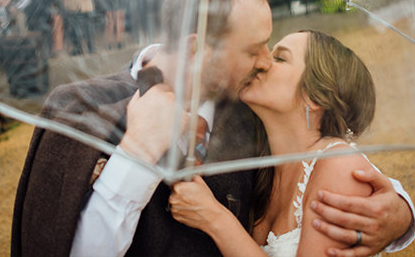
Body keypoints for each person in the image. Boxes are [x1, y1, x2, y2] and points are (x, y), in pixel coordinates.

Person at [11, 0, 415, 257]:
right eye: (253, 49)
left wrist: (397, 213)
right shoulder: (79, 109)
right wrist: (137, 151)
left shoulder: (246, 114)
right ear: (196, 48)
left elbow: (319, 157)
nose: (263, 63)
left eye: (271, 48)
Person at [169, 30, 395, 256]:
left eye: (280, 58)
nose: (263, 62)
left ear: (314, 96)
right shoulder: (262, 168)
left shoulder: (339, 165)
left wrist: (214, 218)